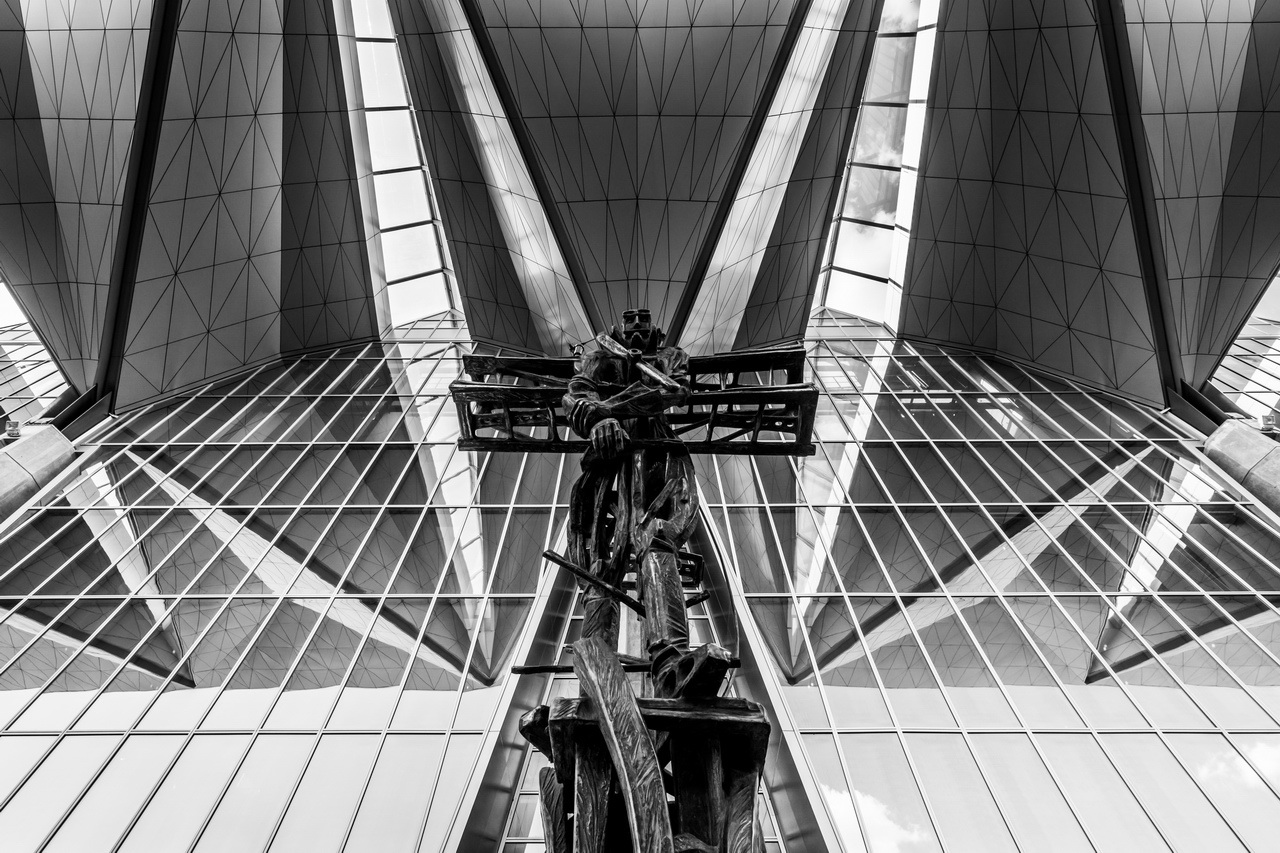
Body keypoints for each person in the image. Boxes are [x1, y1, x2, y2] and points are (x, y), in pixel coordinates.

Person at [563, 309, 706, 696]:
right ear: (620, 328)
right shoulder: (599, 357)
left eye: (644, 325)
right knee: (598, 563)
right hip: (607, 467)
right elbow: (576, 396)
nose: (638, 330)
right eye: (632, 324)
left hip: (658, 460)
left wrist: (608, 408)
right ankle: (596, 676)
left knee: (658, 540)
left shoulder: (668, 357)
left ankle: (670, 660)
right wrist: (597, 422)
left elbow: (670, 390)